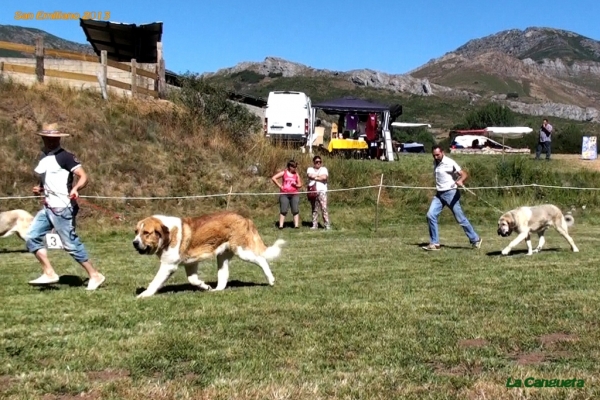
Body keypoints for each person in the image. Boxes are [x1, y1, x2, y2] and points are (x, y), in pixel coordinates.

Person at [26, 123, 105, 290]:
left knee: (70, 244)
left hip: (63, 208)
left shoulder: (66, 157)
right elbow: (46, 179)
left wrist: (76, 189)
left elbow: (83, 176)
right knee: (32, 237)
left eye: (54, 139)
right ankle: (49, 272)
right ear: (43, 138)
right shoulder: (43, 157)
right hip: (48, 207)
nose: (51, 141)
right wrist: (39, 188)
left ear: (59, 139)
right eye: (48, 138)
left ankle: (95, 275)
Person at [423, 145, 483, 251]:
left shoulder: (450, 162)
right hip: (439, 194)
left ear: (443, 152)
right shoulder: (435, 163)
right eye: (434, 155)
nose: (436, 157)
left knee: (460, 219)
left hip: (451, 193)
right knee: (430, 215)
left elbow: (463, 173)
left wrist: (460, 180)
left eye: (437, 155)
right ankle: (434, 243)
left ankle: (475, 239)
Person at [271, 160, 302, 229]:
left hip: (294, 194)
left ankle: (296, 225)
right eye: (294, 167)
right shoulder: (284, 172)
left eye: (295, 167)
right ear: (290, 166)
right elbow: (274, 178)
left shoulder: (296, 174)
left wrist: (296, 185)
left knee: (295, 210)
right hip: (284, 194)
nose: (295, 168)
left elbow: (300, 184)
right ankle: (281, 225)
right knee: (283, 210)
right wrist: (280, 186)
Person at [306, 156, 331, 230]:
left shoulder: (324, 169)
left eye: (320, 161)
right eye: (316, 162)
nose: (318, 163)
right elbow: (310, 176)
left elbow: (324, 177)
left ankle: (327, 224)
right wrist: (319, 177)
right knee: (314, 209)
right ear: (314, 162)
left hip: (322, 192)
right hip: (313, 192)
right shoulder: (310, 169)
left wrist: (315, 177)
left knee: (324, 208)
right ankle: (315, 224)